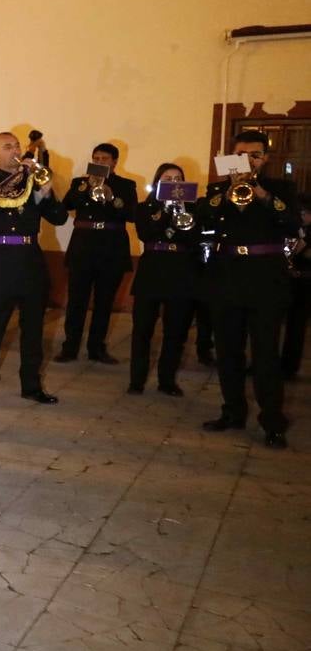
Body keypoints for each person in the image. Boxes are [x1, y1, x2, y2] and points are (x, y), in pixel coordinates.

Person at [195, 130, 299, 449]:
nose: (248, 160)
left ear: (265, 158)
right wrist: (226, 192)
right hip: (226, 276)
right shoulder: (218, 189)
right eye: (241, 154)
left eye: (254, 154)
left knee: (266, 354)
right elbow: (202, 218)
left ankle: (272, 422)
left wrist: (262, 194)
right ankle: (233, 412)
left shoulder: (281, 189)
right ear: (231, 157)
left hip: (266, 279)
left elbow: (292, 221)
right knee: (228, 351)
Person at [0, 132, 68, 406]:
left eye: (16, 145)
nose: (14, 150)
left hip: (29, 262)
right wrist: (24, 176)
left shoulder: (33, 180)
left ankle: (31, 385)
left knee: (34, 330)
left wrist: (47, 192)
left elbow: (59, 218)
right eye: (7, 146)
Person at [55, 143, 137, 364]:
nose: (100, 162)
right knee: (76, 301)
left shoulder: (126, 185)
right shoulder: (79, 183)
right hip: (83, 246)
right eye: (96, 158)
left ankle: (96, 348)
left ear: (115, 162)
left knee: (104, 302)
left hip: (111, 247)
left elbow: (131, 214)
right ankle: (69, 347)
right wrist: (85, 188)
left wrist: (111, 197)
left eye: (104, 159)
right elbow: (67, 205)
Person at [128, 163, 200, 396]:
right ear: (158, 182)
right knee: (142, 330)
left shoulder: (193, 208)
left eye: (178, 178)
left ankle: (167, 380)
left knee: (175, 331)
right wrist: (166, 209)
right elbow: (146, 234)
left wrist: (181, 210)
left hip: (181, 271)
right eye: (167, 178)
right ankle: (136, 380)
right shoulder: (145, 207)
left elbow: (193, 238)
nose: (173, 182)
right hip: (152, 271)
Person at [282, 195, 310, 380]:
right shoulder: (300, 229)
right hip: (293, 282)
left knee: (296, 327)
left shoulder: (305, 231)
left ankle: (289, 367)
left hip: (305, 285)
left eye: (304, 212)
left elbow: (292, 251)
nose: (302, 216)